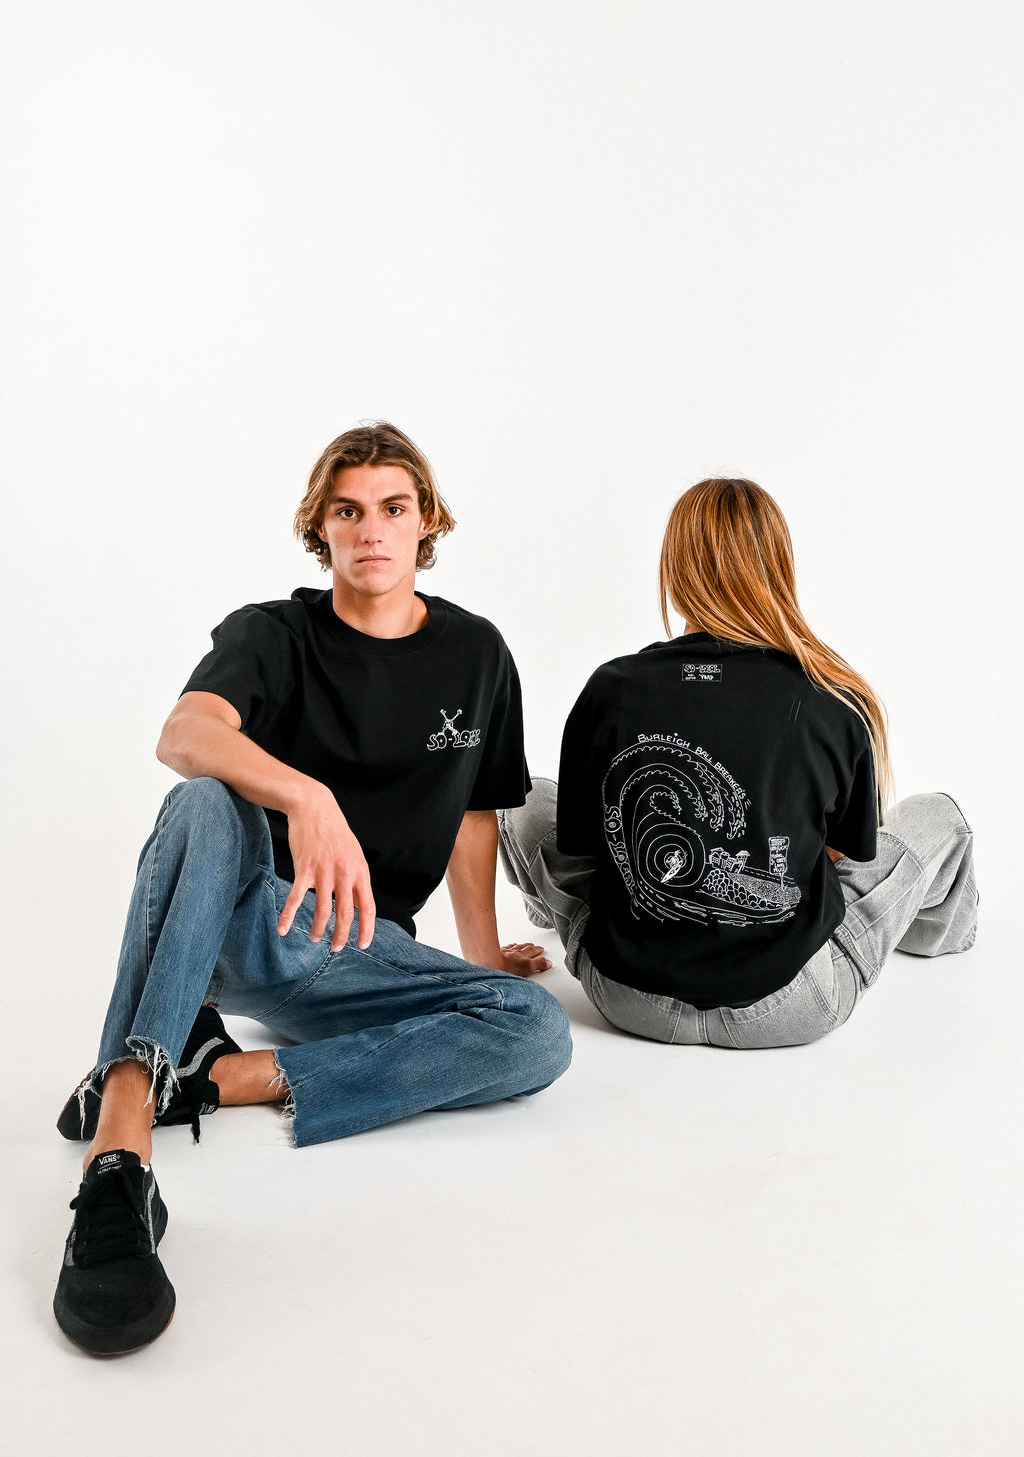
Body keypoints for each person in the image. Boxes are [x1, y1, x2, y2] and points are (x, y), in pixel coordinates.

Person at [54, 422, 571, 1356]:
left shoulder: (478, 655)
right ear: (320, 528)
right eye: (348, 511)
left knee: (537, 1033)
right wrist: (303, 794)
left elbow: (473, 817)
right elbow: (183, 732)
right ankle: (120, 1142)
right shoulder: (274, 634)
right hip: (257, 919)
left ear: (426, 525)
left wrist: (484, 956)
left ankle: (212, 1080)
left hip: (366, 953)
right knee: (208, 802)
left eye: (394, 509)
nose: (372, 530)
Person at [500, 477, 976, 1047]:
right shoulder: (831, 700)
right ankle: (936, 938)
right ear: (777, 567)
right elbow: (846, 856)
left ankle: (542, 921)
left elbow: (586, 848)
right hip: (791, 1004)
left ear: (676, 573)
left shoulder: (611, 688)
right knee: (939, 815)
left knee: (521, 795)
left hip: (627, 999)